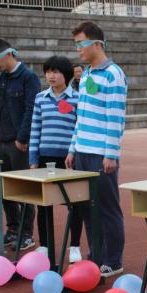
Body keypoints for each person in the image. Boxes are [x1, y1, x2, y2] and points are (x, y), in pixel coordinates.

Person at [65, 21, 127, 278]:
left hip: (101, 155)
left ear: (97, 44)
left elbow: (115, 118)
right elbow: (81, 116)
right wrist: (72, 148)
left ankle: (113, 260)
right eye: (76, 44)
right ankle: (96, 256)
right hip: (82, 152)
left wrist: (111, 154)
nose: (78, 49)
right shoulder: (86, 75)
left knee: (107, 209)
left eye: (82, 43)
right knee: (88, 209)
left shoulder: (113, 74)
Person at [0, 39, 41, 251]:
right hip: (0, 140)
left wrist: (22, 138)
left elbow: (31, 109)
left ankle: (26, 233)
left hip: (18, 142)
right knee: (3, 189)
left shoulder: (28, 77)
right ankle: (13, 229)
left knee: (23, 189)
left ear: (8, 54)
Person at [29, 56, 84, 263]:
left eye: (56, 72)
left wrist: (73, 153)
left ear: (67, 75)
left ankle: (75, 246)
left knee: (75, 204)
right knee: (43, 204)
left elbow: (79, 129)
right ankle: (44, 245)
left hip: (68, 159)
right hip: (45, 158)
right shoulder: (40, 98)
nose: (51, 76)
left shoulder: (77, 99)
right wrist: (33, 158)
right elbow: (35, 129)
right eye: (48, 71)